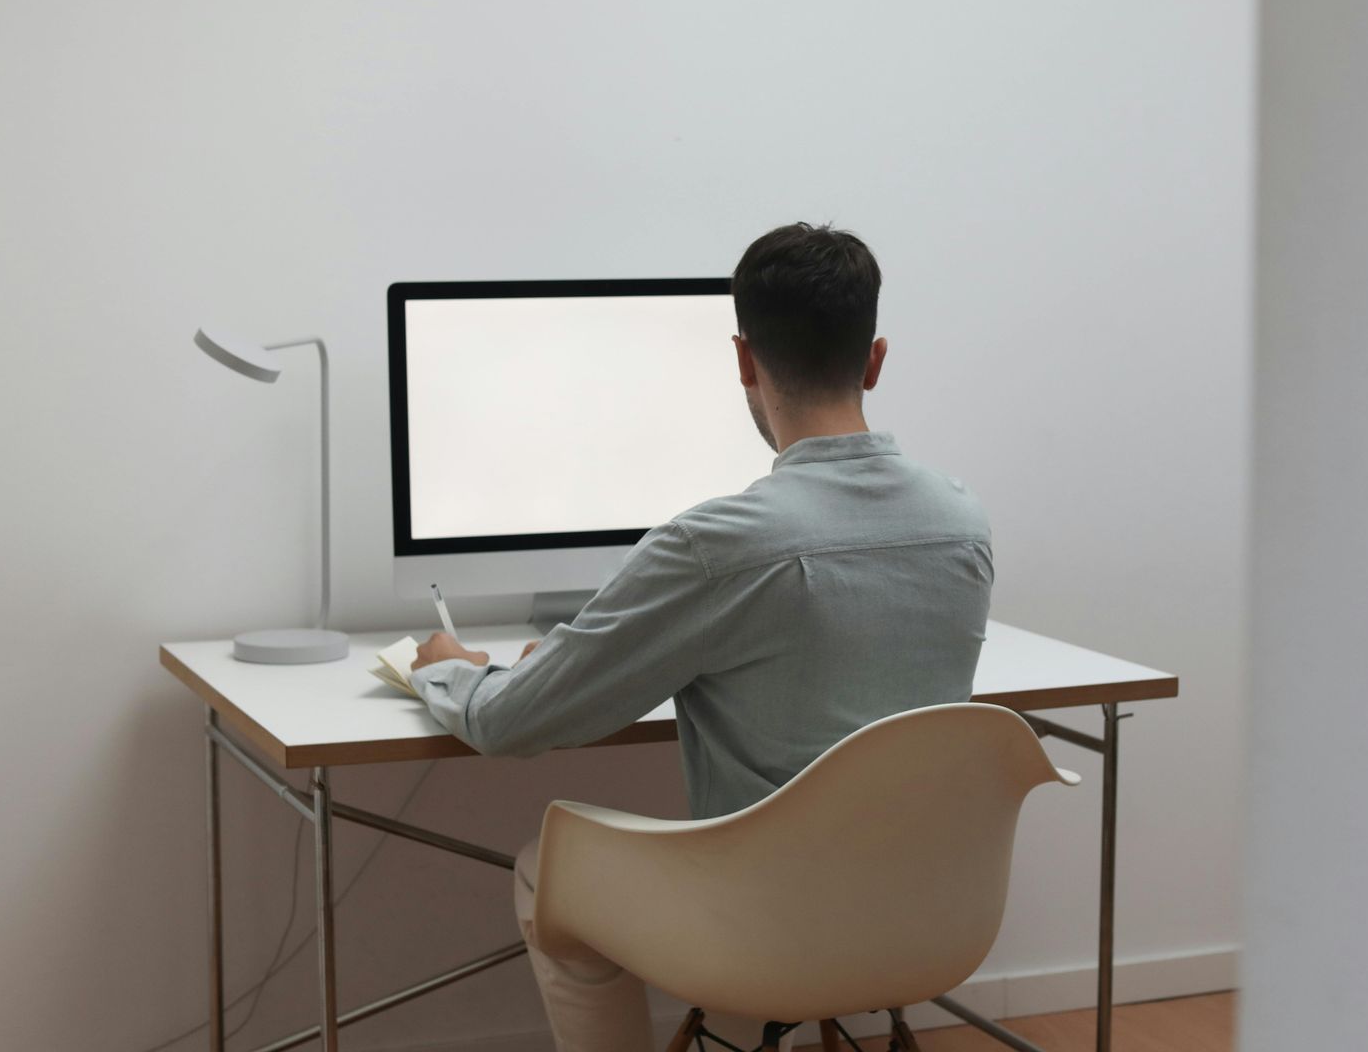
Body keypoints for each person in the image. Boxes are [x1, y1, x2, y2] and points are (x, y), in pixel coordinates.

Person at [407, 222, 993, 1052]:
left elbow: (511, 724)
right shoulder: (962, 524)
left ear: (745, 360)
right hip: (927, 916)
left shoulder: (718, 545)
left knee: (550, 866)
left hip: (763, 928)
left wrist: (454, 671)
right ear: (875, 360)